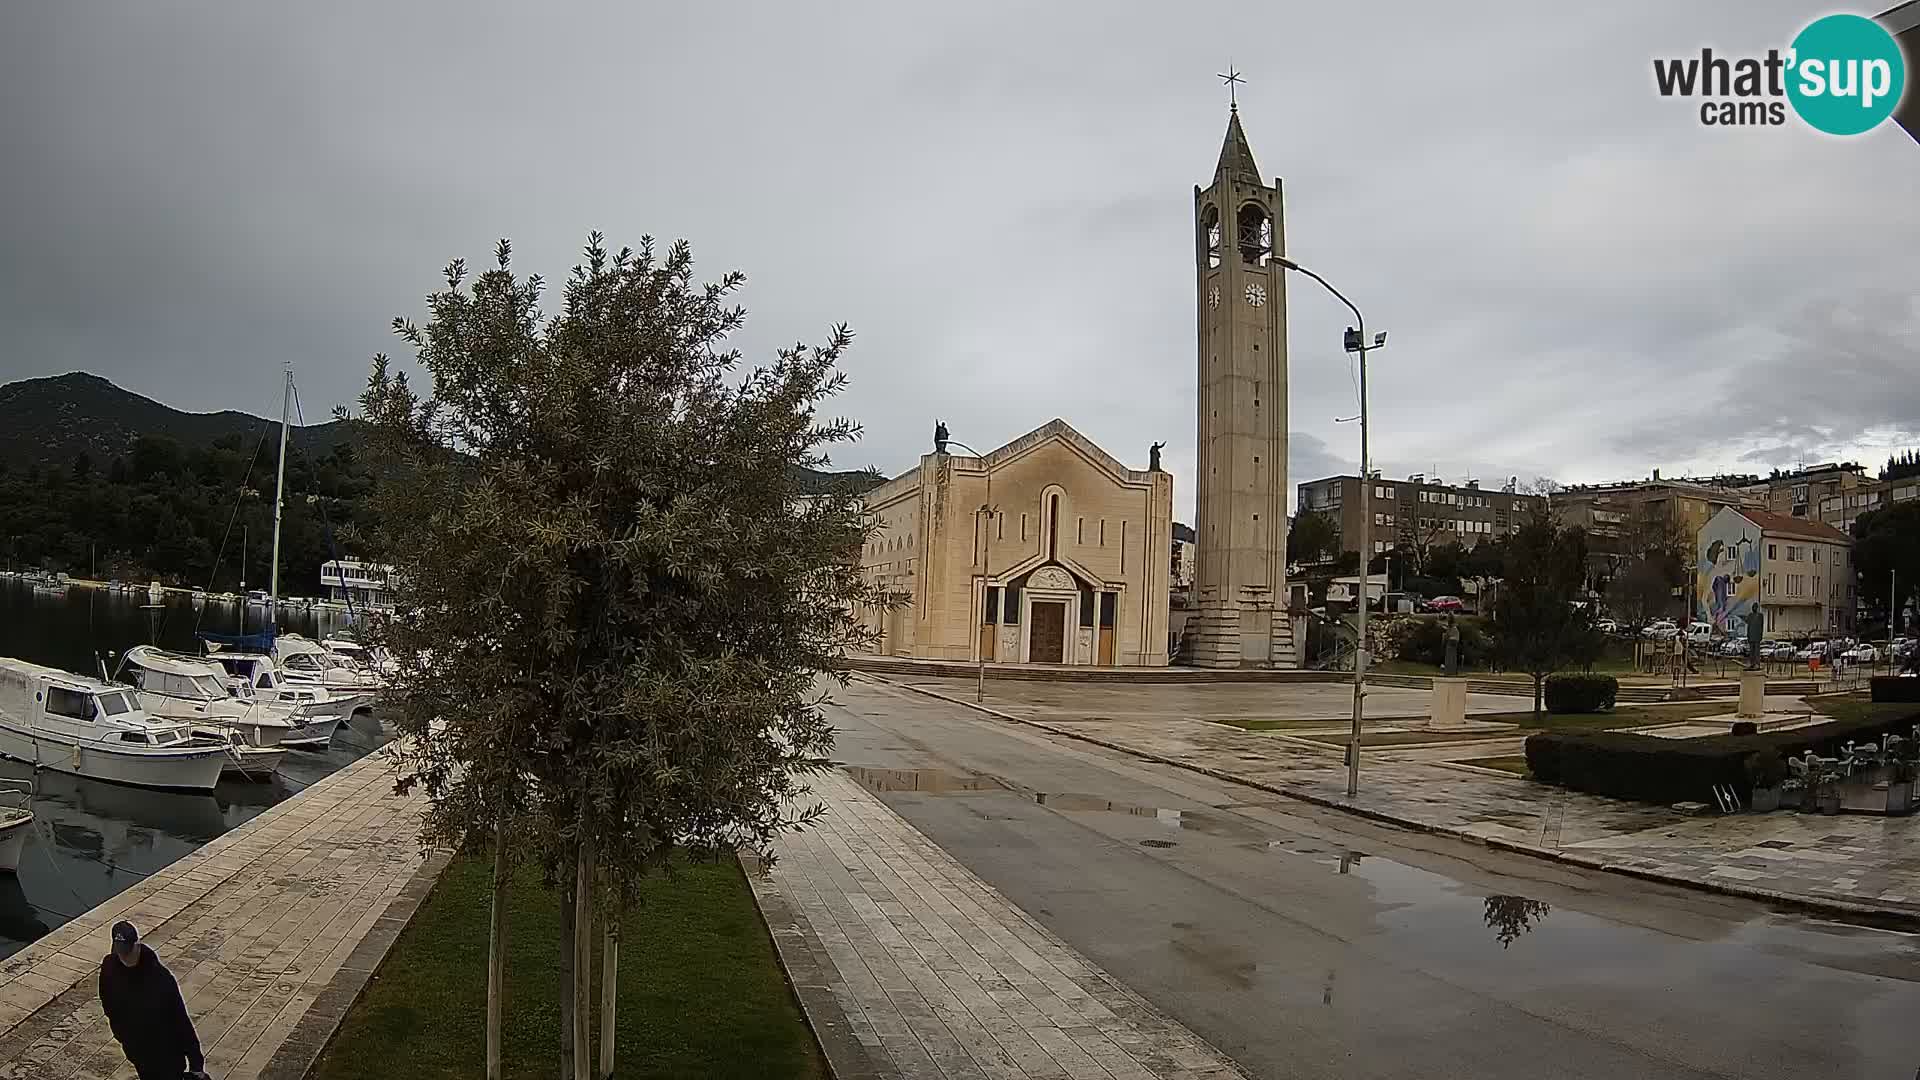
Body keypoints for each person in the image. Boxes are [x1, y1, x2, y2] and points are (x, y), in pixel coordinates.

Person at [99, 921, 207, 1080]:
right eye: (121, 953)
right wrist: (124, 1038)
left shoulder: (160, 978)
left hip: (168, 1054)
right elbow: (109, 1007)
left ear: (137, 945)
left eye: (128, 953)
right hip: (138, 1053)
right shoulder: (109, 969)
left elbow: (180, 1020)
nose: (125, 958)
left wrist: (196, 1062)